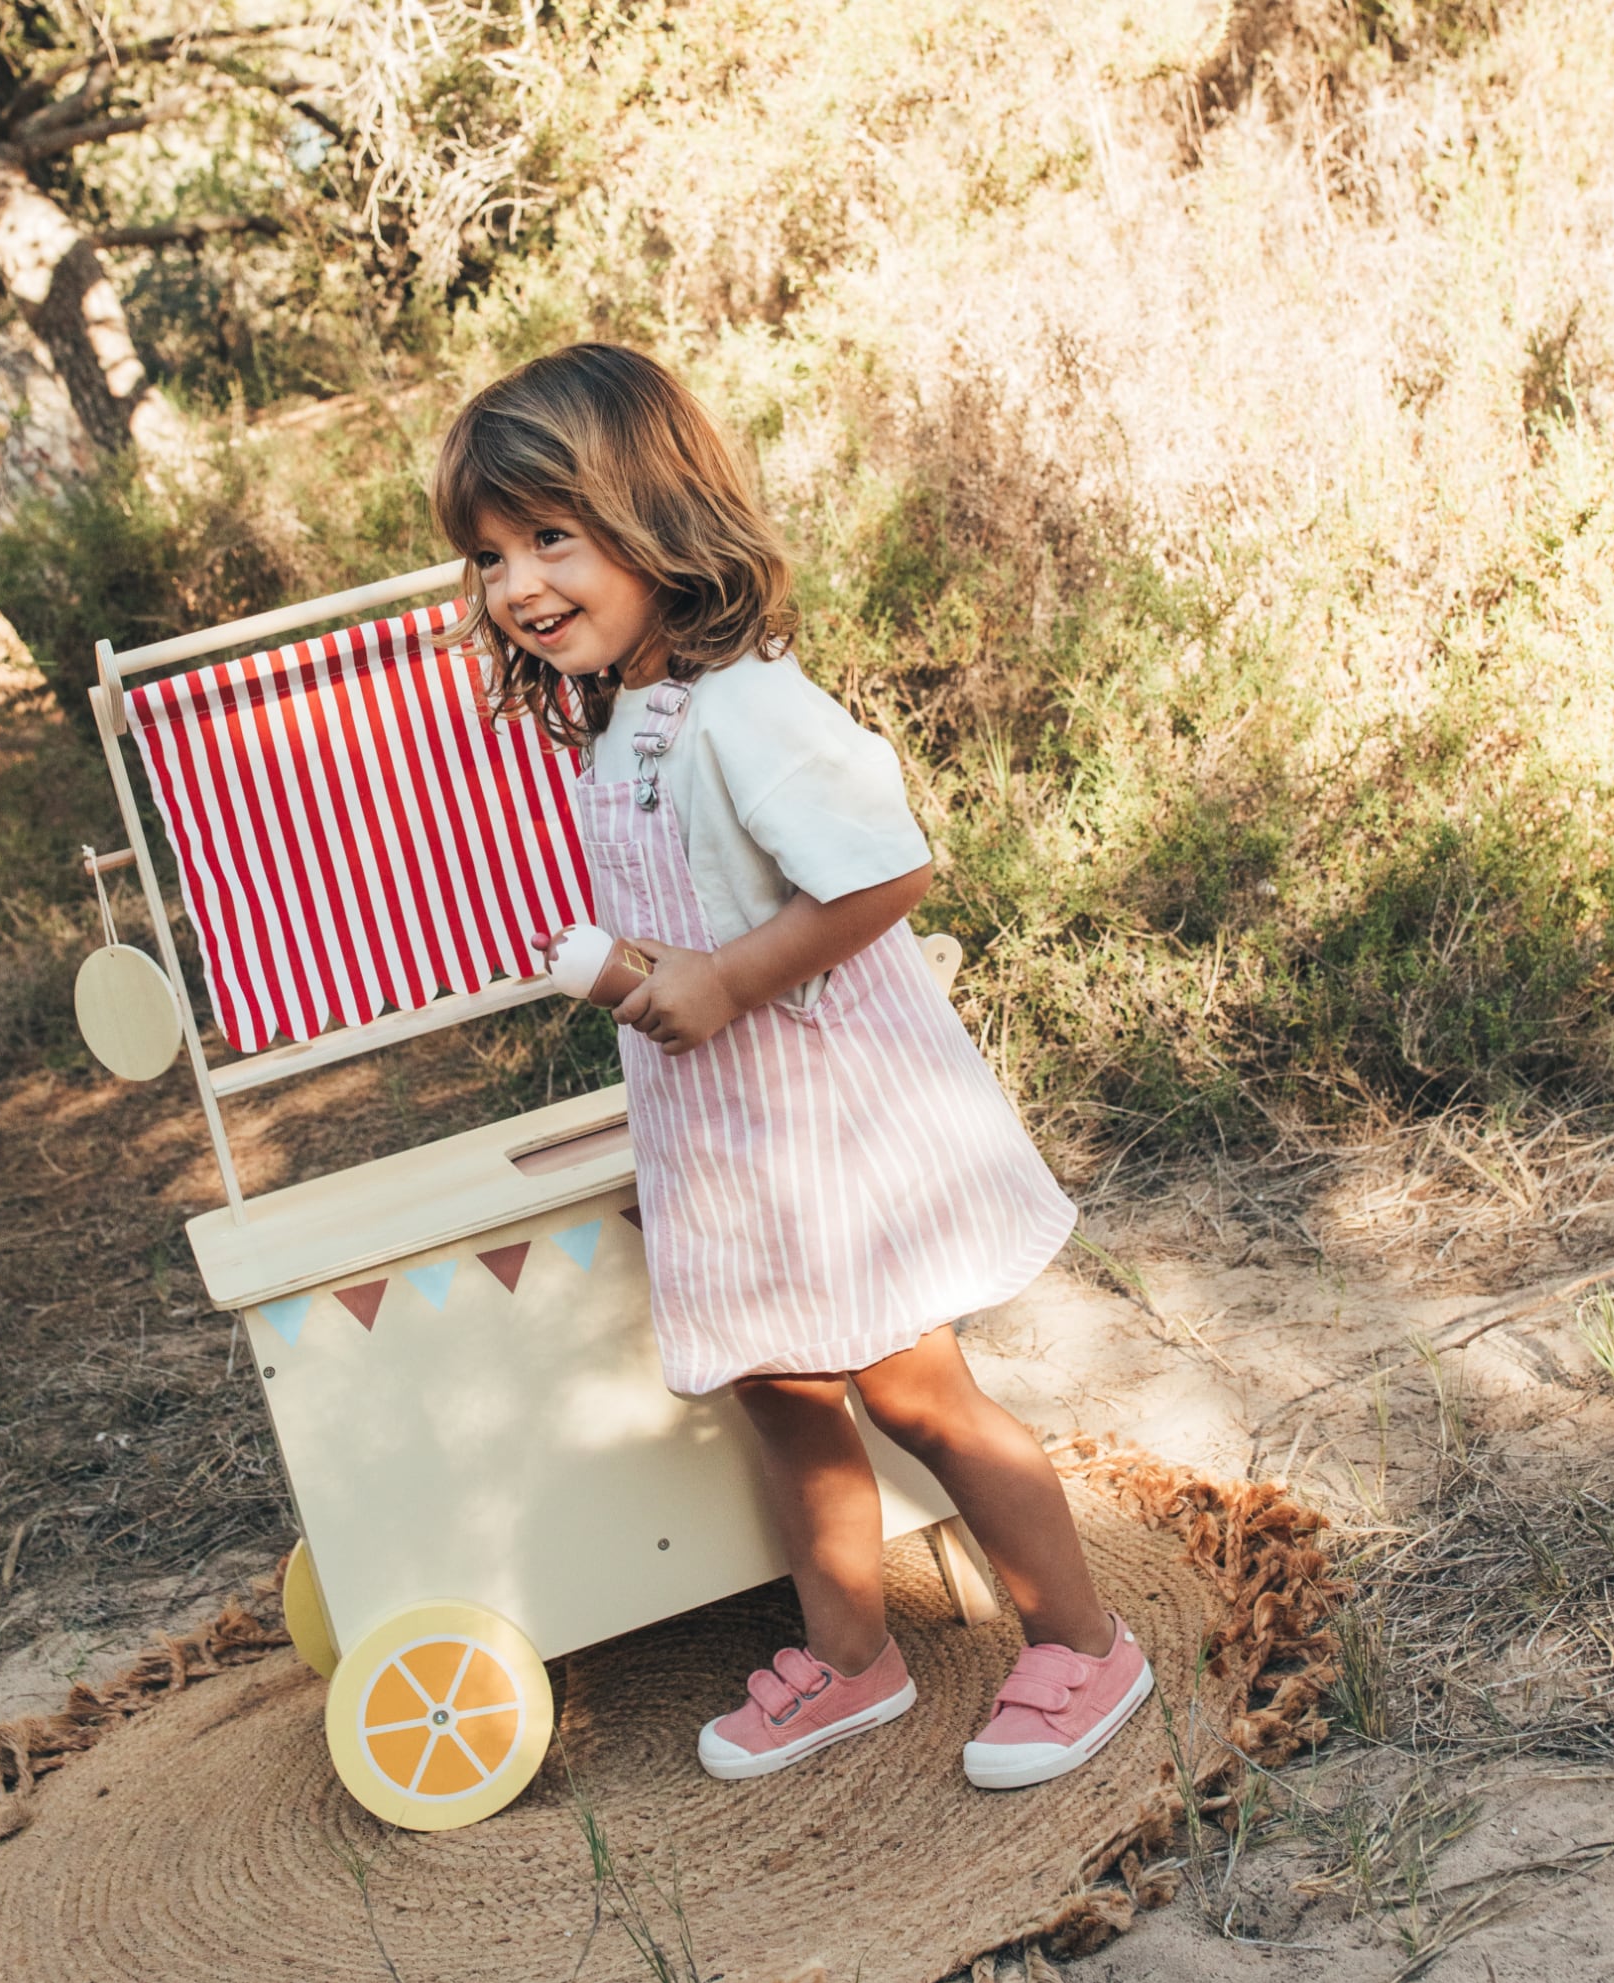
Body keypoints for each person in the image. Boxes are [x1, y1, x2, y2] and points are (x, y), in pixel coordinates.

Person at [430, 343, 1152, 1790]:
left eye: (550, 537)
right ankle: (851, 1655)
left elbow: (886, 873)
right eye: (492, 554)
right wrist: (657, 980)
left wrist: (724, 978)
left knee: (913, 1389)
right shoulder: (621, 709)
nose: (517, 585)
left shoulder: (749, 705)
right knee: (779, 1387)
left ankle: (1082, 1641)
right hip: (730, 1128)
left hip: (828, 1118)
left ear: (657, 519)